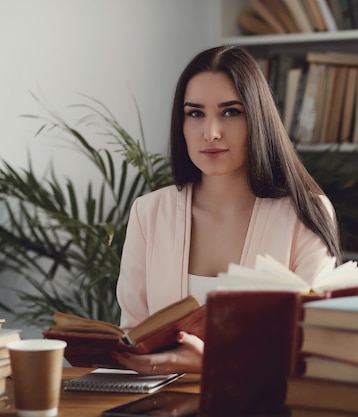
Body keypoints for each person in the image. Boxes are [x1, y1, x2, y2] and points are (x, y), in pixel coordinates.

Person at [112, 45, 341, 374]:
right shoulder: (149, 213)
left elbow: (311, 346)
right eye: (195, 113)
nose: (211, 133)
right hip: (161, 402)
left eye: (231, 112)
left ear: (257, 119)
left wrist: (216, 364)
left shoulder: (306, 214)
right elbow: (132, 335)